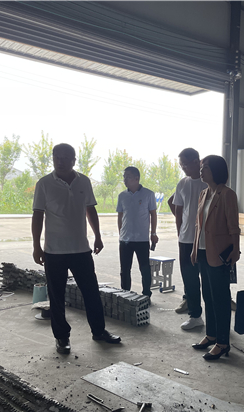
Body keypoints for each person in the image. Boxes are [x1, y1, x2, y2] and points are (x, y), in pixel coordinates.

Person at [32, 143, 121, 355]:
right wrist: (36, 246)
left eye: (65, 158)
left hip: (81, 249)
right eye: (57, 157)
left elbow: (90, 209)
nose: (60, 161)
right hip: (54, 251)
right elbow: (38, 215)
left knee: (91, 292)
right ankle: (62, 337)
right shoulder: (44, 184)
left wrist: (98, 236)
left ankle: (99, 331)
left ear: (74, 160)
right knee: (57, 297)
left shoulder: (84, 181)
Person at [191, 155, 240, 360]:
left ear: (216, 171)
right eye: (201, 168)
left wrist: (236, 249)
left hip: (220, 253)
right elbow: (198, 225)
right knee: (208, 296)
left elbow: (233, 226)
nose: (201, 171)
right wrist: (194, 249)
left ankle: (222, 342)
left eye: (206, 168)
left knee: (220, 299)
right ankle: (211, 335)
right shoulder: (204, 193)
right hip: (203, 251)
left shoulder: (227, 194)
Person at [167, 148, 208, 329]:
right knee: (190, 279)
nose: (183, 168)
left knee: (207, 280)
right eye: (181, 165)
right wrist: (180, 234)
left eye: (185, 164)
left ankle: (214, 318)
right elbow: (178, 211)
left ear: (196, 162)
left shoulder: (208, 183)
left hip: (206, 241)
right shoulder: (182, 183)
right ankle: (195, 316)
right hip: (186, 240)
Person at [117, 166, 158, 298]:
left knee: (144, 268)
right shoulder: (122, 196)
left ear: (136, 178)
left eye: (128, 177)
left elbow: (153, 214)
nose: (125, 179)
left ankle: (146, 294)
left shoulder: (148, 194)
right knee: (125, 269)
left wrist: (153, 233)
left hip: (142, 239)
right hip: (125, 239)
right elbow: (120, 216)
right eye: (124, 177)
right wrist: (120, 233)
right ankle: (125, 294)